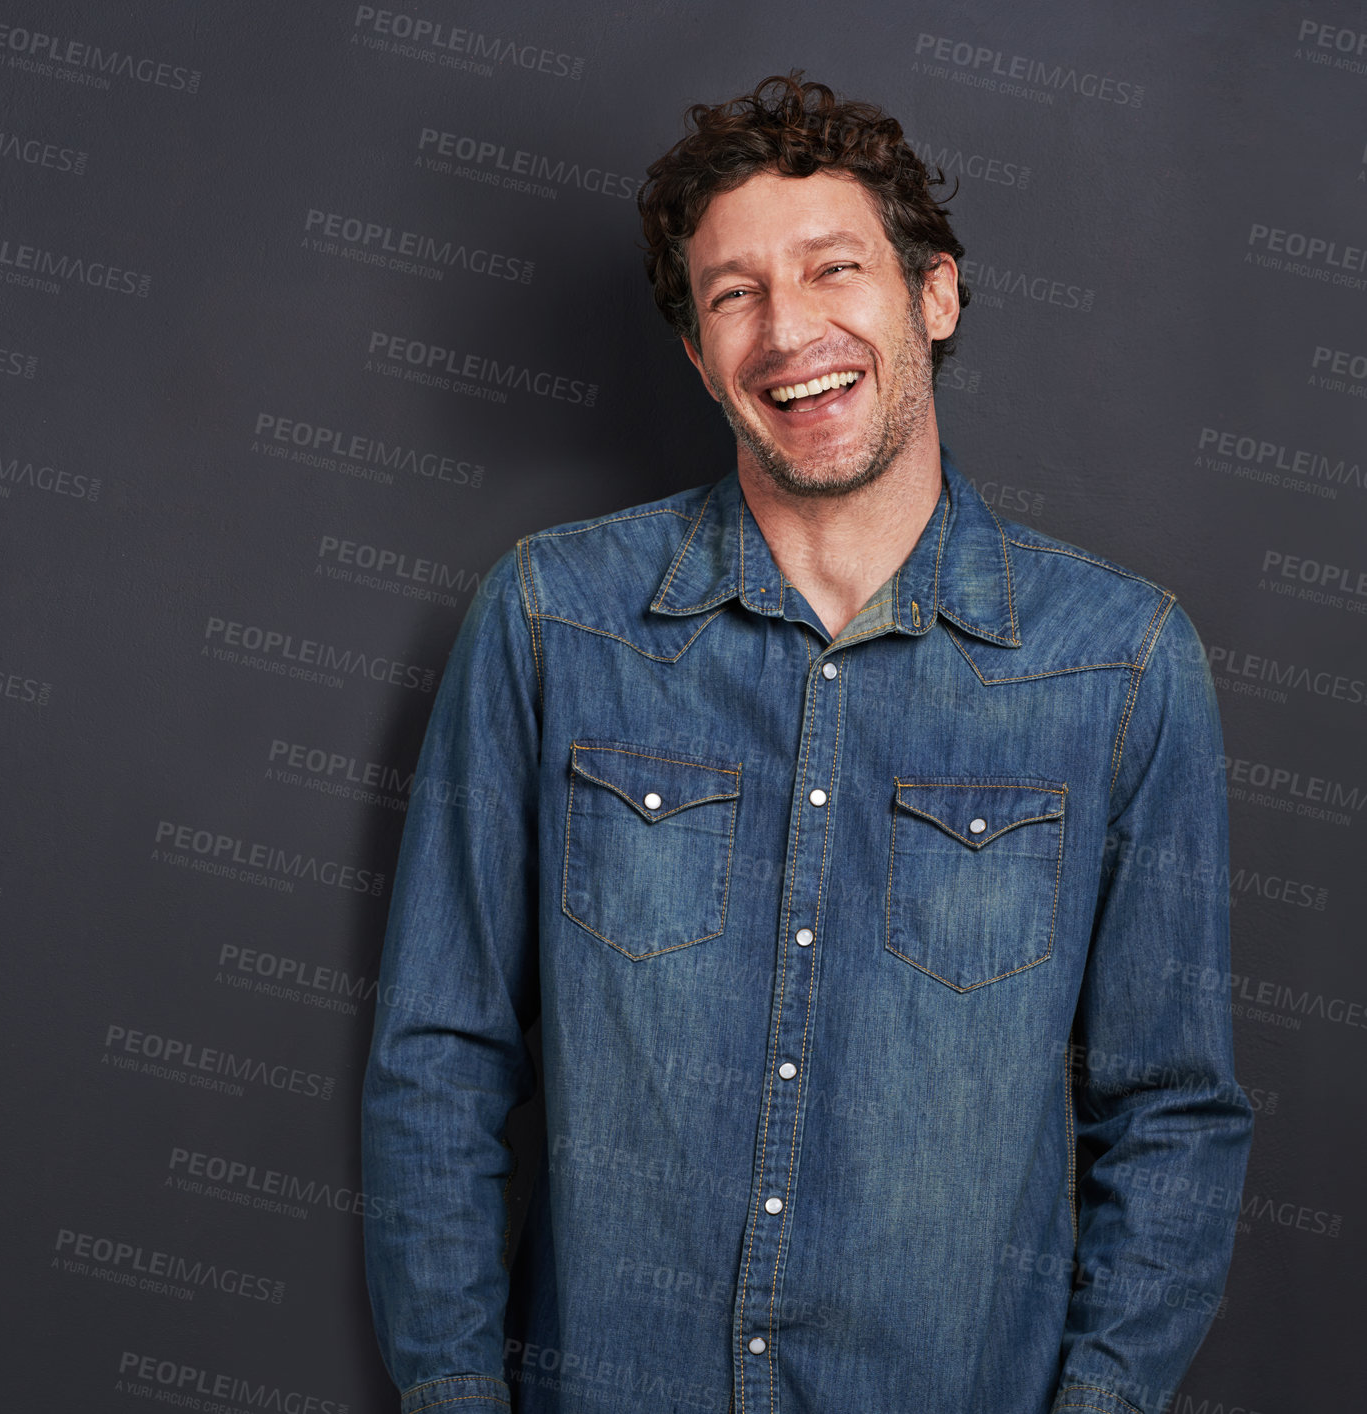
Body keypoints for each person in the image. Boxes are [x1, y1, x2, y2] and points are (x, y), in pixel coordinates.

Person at [361, 73, 1253, 1414]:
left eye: (832, 269)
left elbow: (1172, 1110)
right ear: (696, 352)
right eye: (733, 294)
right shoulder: (553, 621)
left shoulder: (1118, 662)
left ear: (932, 297)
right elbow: (439, 1060)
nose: (787, 332)